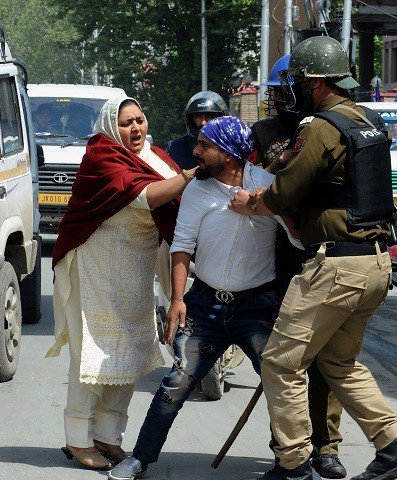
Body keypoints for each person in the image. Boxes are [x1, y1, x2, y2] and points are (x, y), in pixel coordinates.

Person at [237, 36, 397, 480]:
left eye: (297, 80)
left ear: (316, 82)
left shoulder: (320, 126)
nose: (291, 88)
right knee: (338, 363)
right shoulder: (367, 120)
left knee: (279, 362)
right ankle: (393, 448)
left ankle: (294, 463)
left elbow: (284, 192)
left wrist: (252, 199)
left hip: (335, 267)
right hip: (375, 263)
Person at [109, 116, 302, 480]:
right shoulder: (197, 191)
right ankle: (141, 458)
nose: (196, 151)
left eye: (204, 146)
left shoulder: (268, 187)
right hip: (205, 305)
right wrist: (178, 299)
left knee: (280, 386)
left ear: (228, 155)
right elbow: (181, 245)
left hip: (257, 308)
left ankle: (289, 463)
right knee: (175, 383)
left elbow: (297, 238)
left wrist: (264, 207)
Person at [47, 95, 196, 471]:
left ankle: (108, 437)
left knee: (127, 352)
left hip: (134, 269)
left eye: (140, 120)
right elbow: (146, 197)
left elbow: (180, 201)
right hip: (97, 265)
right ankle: (77, 439)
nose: (136, 129)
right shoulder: (102, 155)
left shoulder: (156, 155)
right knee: (92, 353)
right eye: (127, 122)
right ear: (113, 126)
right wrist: (191, 177)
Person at [252, 54, 347, 479]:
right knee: (284, 362)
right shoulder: (263, 132)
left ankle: (326, 446)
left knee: (326, 358)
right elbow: (251, 185)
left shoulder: (331, 126)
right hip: (277, 261)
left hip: (325, 256)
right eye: (274, 90)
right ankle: (286, 448)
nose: (279, 97)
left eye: (285, 87)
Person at [166, 91, 228, 170]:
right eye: (198, 117)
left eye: (210, 116)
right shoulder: (174, 148)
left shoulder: (233, 146)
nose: (203, 122)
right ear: (191, 119)